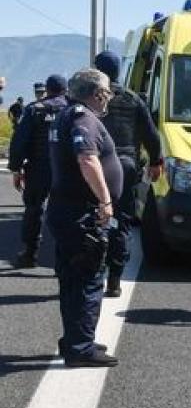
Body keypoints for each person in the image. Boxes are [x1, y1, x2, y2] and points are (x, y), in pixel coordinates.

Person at [47, 69, 122, 367]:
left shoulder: (66, 114)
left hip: (67, 209)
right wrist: (105, 200)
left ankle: (75, 339)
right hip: (82, 213)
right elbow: (87, 158)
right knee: (87, 279)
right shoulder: (83, 118)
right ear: (97, 93)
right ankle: (80, 348)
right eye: (107, 92)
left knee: (72, 279)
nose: (109, 98)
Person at [93, 51, 164, 297]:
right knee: (120, 222)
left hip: (95, 166)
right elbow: (151, 135)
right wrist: (156, 161)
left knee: (91, 220)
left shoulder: (88, 98)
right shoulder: (133, 99)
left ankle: (92, 274)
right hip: (125, 167)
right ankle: (114, 280)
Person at [8, 75, 68, 268]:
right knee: (67, 209)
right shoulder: (72, 109)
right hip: (65, 168)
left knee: (34, 209)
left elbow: (20, 142)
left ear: (47, 90)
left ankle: (30, 253)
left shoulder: (34, 109)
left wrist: (16, 168)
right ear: (65, 90)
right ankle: (64, 258)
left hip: (38, 166)